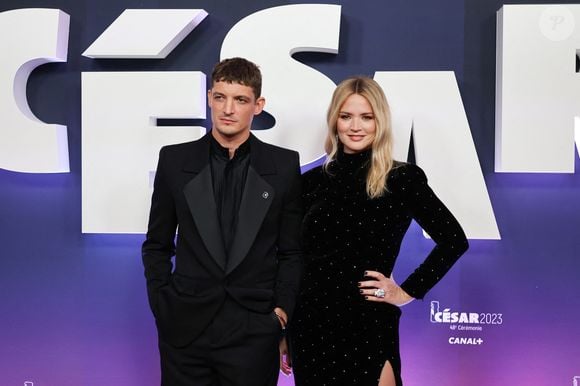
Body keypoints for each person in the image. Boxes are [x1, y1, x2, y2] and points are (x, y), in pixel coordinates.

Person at [283, 76, 469, 386]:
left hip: (367, 323)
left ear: (379, 121)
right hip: (311, 324)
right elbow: (292, 257)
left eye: (366, 117)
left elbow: (453, 240)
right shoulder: (309, 182)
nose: (356, 126)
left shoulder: (401, 178)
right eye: (346, 116)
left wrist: (406, 291)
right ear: (334, 121)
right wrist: (286, 329)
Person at [142, 57, 302, 386]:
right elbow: (157, 244)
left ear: (258, 105)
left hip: (253, 331)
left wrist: (281, 313)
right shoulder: (174, 160)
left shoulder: (284, 166)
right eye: (220, 97)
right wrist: (163, 304)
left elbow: (291, 251)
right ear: (209, 98)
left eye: (240, 100)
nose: (228, 109)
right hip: (185, 328)